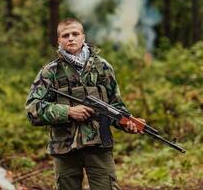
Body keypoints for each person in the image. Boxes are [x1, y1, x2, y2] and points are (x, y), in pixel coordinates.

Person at [25, 18, 144, 190]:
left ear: (83, 37)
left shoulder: (103, 67)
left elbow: (115, 106)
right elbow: (32, 109)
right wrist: (68, 111)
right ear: (59, 40)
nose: (71, 38)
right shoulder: (50, 72)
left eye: (75, 34)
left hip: (99, 144)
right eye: (66, 35)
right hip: (64, 148)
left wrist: (128, 123)